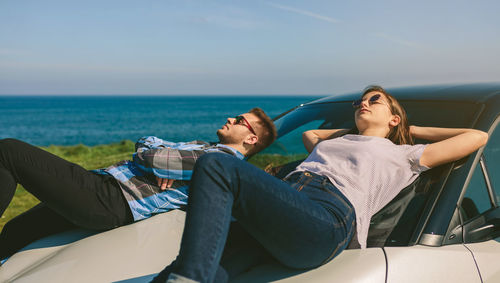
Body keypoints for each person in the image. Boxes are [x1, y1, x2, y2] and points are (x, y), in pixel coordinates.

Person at [151, 86, 489, 283]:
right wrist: (356, 131)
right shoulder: (336, 143)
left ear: (394, 117)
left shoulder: (404, 154)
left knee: (216, 164)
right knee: (171, 274)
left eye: (374, 101)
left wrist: (406, 130)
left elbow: (476, 136)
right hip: (287, 208)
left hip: (327, 218)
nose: (363, 104)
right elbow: (311, 134)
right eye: (360, 101)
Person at [0, 108, 277, 260]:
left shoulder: (218, 161)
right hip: (104, 189)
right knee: (16, 230)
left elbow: (151, 156)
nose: (230, 118)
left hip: (107, 198)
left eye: (240, 121)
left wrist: (156, 157)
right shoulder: (206, 148)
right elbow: (148, 145)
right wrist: (155, 157)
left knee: (9, 151)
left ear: (251, 139)